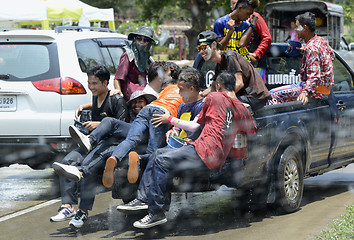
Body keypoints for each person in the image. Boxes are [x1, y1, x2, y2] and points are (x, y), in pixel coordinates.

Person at [118, 71, 256, 229]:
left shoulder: (213, 98)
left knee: (162, 159)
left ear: (218, 86)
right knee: (159, 154)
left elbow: (198, 123)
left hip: (205, 150)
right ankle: (146, 201)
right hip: (214, 154)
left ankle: (157, 212)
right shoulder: (242, 108)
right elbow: (252, 130)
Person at [50, 65, 128, 229]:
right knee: (67, 162)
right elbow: (97, 104)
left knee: (87, 167)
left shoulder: (116, 99)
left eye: (94, 83)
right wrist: (84, 106)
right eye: (89, 83)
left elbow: (124, 127)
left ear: (105, 83)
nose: (91, 87)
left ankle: (83, 211)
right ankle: (68, 206)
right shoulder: (95, 97)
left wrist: (98, 124)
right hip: (95, 143)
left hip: (112, 145)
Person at [102, 70, 184, 188]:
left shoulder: (163, 93)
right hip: (162, 114)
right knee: (153, 152)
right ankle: (139, 158)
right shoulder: (183, 93)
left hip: (147, 108)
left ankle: (114, 157)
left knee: (130, 140)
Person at [268, 12, 335, 105]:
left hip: (316, 91)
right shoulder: (321, 41)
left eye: (297, 27)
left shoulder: (311, 49)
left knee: (272, 94)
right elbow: (332, 56)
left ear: (304, 28)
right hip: (326, 89)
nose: (295, 30)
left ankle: (279, 119)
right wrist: (306, 51)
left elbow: (314, 76)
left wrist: (305, 93)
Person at [197, 30, 271, 112]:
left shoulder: (230, 57)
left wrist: (221, 98)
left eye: (203, 48)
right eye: (199, 49)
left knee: (221, 108)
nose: (201, 52)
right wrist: (199, 96)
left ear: (214, 44)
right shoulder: (219, 65)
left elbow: (239, 83)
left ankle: (250, 124)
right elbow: (213, 88)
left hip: (254, 97)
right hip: (243, 96)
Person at [112, 26, 158, 101]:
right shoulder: (128, 55)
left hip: (143, 96)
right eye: (139, 38)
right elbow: (117, 78)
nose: (142, 42)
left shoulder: (146, 57)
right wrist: (119, 96)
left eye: (145, 40)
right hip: (131, 99)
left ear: (149, 43)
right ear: (135, 39)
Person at [230, 0, 272, 65]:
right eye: (233, 4)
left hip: (255, 63)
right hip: (236, 62)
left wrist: (256, 54)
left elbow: (267, 38)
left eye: (236, 3)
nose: (235, 6)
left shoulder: (255, 17)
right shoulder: (228, 21)